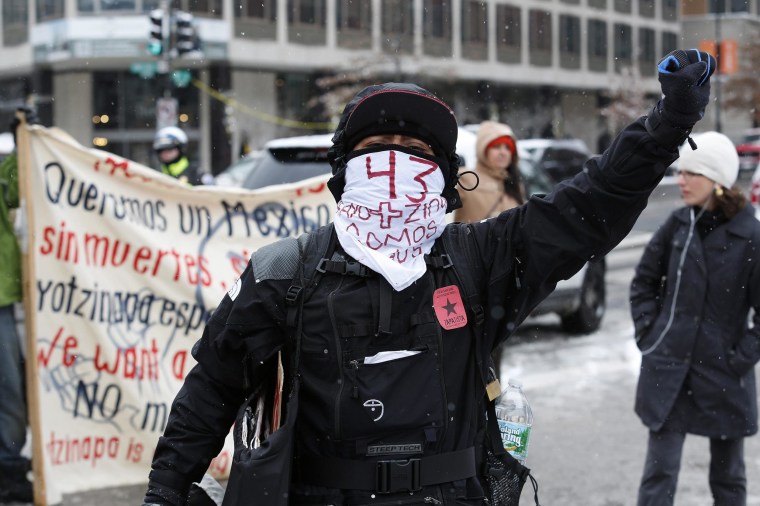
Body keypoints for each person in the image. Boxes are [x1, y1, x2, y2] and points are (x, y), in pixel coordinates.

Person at [143, 49, 715, 505]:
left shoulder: (481, 259)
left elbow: (589, 205)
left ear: (442, 181)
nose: (394, 165)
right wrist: (166, 490)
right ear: (344, 176)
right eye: (376, 150)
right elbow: (213, 384)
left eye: (414, 152)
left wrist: (665, 127)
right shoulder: (283, 272)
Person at [630, 131, 760, 506]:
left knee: (729, 478)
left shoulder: (751, 235)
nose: (681, 181)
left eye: (691, 174)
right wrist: (649, 335)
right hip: (669, 366)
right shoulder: (678, 224)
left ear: (717, 181)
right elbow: (644, 283)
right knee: (659, 473)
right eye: (681, 173)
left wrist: (739, 357)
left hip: (723, 372)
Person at [0, 110, 34, 504]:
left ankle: (8, 467)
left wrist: (21, 141)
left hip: (2, 302)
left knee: (9, 388)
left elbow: (14, 186)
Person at [454, 120, 526, 223]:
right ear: (483, 150)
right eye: (496, 146)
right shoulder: (465, 179)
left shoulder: (514, 184)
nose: (503, 152)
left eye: (508, 147)